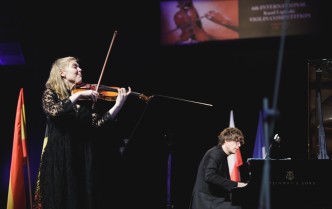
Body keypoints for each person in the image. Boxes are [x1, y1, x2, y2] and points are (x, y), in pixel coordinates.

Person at [32, 56, 131, 209]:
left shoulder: (86, 99)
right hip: (61, 156)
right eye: (75, 66)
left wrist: (118, 105)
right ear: (62, 72)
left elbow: (97, 124)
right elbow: (55, 111)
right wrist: (77, 95)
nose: (80, 69)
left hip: (83, 156)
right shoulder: (51, 93)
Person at [189, 127, 248, 209]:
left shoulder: (221, 155)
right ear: (226, 140)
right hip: (206, 201)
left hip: (213, 199)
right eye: (237, 141)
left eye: (240, 143)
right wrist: (237, 184)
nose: (239, 145)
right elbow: (209, 176)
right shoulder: (215, 153)